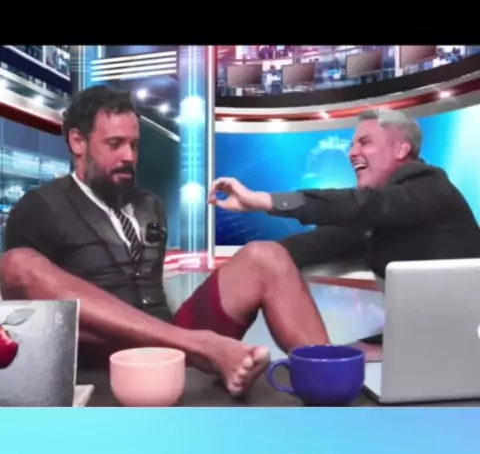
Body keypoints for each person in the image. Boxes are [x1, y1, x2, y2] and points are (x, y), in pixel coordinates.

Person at [0, 85, 339, 397]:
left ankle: (331, 388)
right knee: (18, 264)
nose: (129, 156)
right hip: (105, 357)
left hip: (174, 344)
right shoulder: (39, 207)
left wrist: (181, 341)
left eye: (134, 145)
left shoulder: (151, 206)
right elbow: (28, 304)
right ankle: (204, 348)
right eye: (115, 144)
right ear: (78, 142)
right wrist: (197, 342)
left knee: (267, 256)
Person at [209, 108, 480, 343]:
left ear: (401, 148)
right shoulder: (379, 215)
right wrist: (245, 267)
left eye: (365, 143)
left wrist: (265, 200)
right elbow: (311, 245)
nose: (352, 153)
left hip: (462, 343)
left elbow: (363, 205)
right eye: (352, 145)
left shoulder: (429, 186)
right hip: (417, 338)